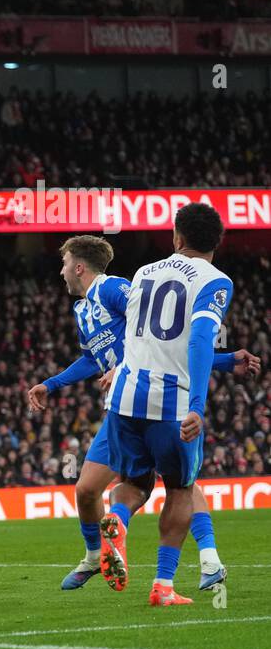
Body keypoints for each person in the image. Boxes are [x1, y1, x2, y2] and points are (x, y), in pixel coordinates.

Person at [27, 235, 259, 593]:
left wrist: (123, 367)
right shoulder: (83, 310)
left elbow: (155, 337)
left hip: (145, 392)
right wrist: (52, 384)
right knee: (88, 490)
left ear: (78, 266)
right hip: (124, 403)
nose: (60, 272)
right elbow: (92, 358)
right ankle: (96, 556)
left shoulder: (114, 288)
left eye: (64, 264)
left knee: (174, 484)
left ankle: (204, 560)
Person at [100, 203, 238, 606]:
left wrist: (228, 361)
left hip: (123, 396)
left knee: (134, 484)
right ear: (217, 241)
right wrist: (197, 403)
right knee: (180, 488)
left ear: (177, 238)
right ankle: (163, 585)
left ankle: (118, 518)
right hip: (171, 403)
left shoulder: (144, 272)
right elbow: (197, 341)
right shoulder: (215, 281)